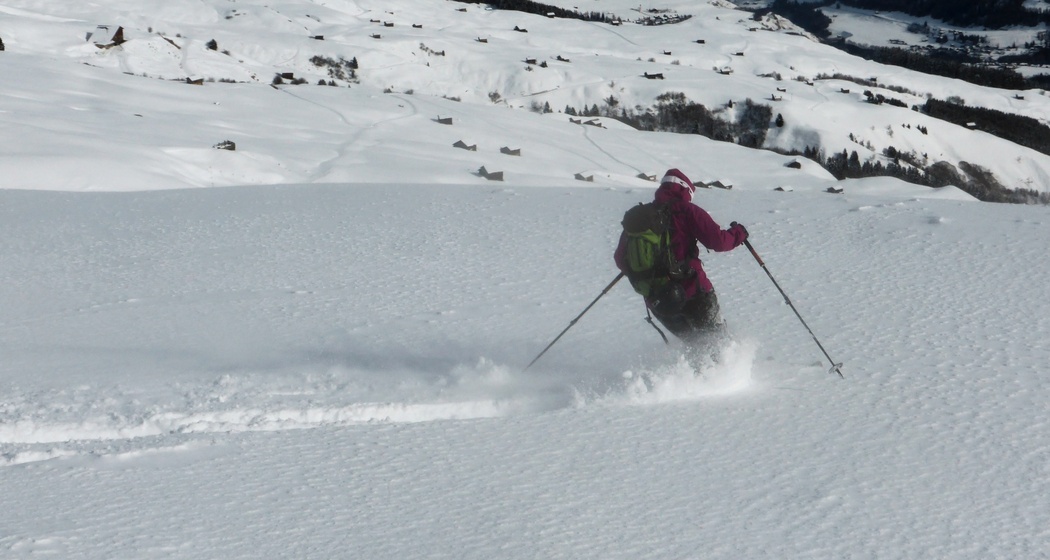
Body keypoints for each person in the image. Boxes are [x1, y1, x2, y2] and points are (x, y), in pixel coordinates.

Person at [614, 168, 748, 348]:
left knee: (696, 347)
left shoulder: (640, 218)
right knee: (718, 344)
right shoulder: (686, 210)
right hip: (694, 292)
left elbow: (620, 259)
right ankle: (727, 374)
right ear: (684, 190)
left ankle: (691, 376)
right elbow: (719, 242)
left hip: (659, 302)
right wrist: (739, 233)